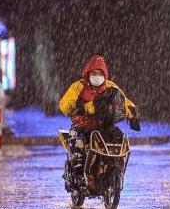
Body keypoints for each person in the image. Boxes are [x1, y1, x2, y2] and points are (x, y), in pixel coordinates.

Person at [59, 55, 140, 189]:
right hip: (82, 126)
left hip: (103, 126)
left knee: (118, 139)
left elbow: (123, 101)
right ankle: (78, 176)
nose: (97, 76)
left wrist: (132, 113)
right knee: (77, 143)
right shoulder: (78, 87)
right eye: (94, 73)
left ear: (105, 75)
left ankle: (114, 168)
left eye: (100, 74)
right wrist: (77, 103)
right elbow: (64, 105)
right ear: (88, 73)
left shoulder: (110, 87)